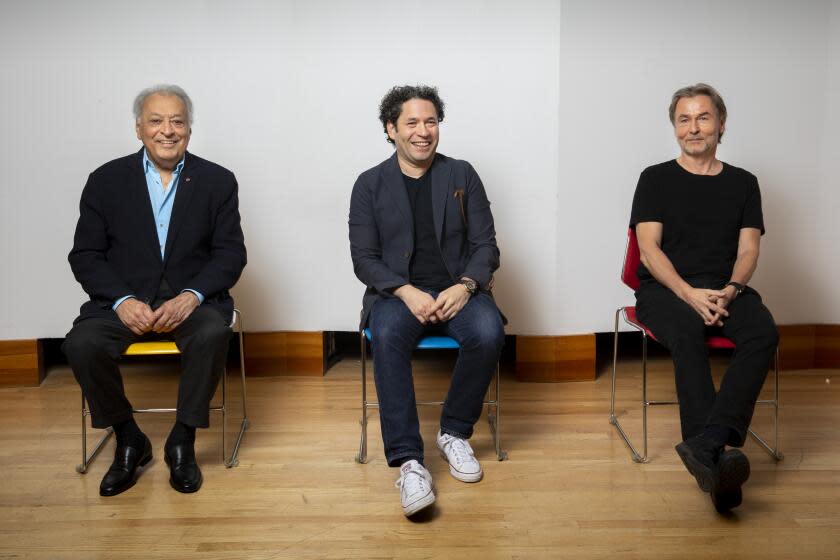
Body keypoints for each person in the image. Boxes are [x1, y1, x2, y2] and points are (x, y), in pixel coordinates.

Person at [63, 84, 247, 496]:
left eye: (177, 121)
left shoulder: (218, 181)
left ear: (189, 129)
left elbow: (231, 254)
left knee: (212, 333)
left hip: (191, 302)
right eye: (156, 121)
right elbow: (86, 255)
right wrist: (122, 300)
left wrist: (192, 295)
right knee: (81, 344)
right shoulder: (105, 181)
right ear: (139, 129)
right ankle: (129, 436)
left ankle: (182, 439)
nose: (168, 130)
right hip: (122, 302)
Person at [349, 85, 505, 517]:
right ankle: (409, 462)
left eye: (431, 121)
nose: (423, 131)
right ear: (390, 128)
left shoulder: (462, 174)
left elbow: (486, 245)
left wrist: (467, 285)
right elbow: (364, 258)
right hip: (399, 295)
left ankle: (455, 432)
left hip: (459, 290)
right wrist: (404, 290)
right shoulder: (369, 184)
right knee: (387, 335)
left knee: (489, 332)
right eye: (412, 122)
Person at [630, 83, 778, 513]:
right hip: (666, 289)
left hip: (724, 287)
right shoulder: (654, 178)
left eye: (703, 117)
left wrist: (730, 291)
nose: (693, 128)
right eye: (684, 119)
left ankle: (710, 444)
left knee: (763, 332)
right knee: (687, 331)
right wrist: (689, 294)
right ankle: (719, 471)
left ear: (721, 125)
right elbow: (648, 250)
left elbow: (749, 249)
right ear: (675, 127)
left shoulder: (744, 183)